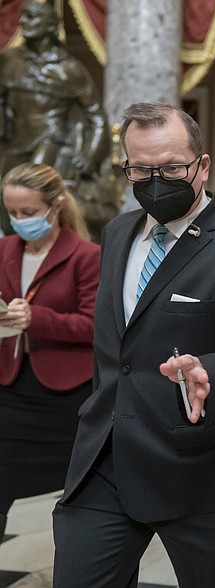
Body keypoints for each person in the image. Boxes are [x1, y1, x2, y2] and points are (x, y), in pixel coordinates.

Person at [51, 102, 215, 588]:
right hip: (107, 458)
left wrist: (212, 374)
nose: (155, 179)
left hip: (201, 467)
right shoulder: (117, 232)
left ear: (202, 166)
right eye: (141, 168)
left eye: (170, 168)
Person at [0, 162, 99, 545]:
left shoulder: (86, 255)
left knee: (78, 494)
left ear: (55, 207)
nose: (19, 221)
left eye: (28, 212)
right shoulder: (4, 249)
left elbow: (94, 326)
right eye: (11, 212)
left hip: (65, 395)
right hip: (10, 386)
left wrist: (37, 318)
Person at [0, 0, 114, 238]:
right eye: (23, 16)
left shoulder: (70, 69)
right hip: (16, 141)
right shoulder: (8, 61)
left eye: (32, 17)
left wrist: (89, 157)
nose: (24, 22)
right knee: (7, 199)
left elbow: (96, 114)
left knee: (33, 192)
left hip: (52, 139)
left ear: (51, 26)